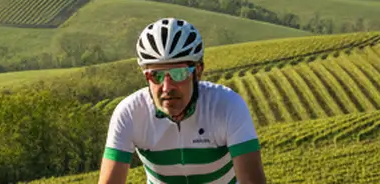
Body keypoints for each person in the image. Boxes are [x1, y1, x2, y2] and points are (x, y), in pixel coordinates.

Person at [99, 18, 266, 184]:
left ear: (198, 72)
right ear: (146, 77)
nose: (167, 87)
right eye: (156, 75)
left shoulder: (228, 105)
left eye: (178, 74)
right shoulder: (130, 113)